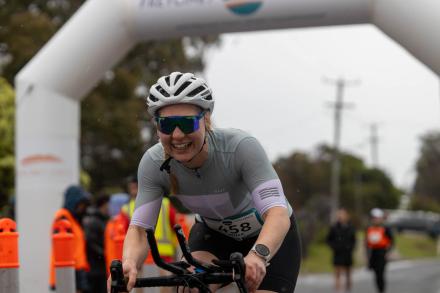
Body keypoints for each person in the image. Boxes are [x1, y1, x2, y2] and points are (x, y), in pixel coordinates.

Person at [108, 72, 301, 293]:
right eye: (167, 125)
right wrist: (129, 264)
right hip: (213, 236)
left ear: (206, 120)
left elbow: (277, 213)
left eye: (187, 123)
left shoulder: (241, 148)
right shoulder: (153, 163)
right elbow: (140, 229)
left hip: (267, 234)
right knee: (190, 287)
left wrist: (258, 255)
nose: (178, 135)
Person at [50, 185, 91, 292]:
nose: (82, 207)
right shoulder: (63, 219)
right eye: (81, 203)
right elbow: (63, 252)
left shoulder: (73, 220)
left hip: (75, 271)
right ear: (73, 202)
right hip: (69, 272)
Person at [83, 195, 110, 293]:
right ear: (103, 205)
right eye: (107, 205)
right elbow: (90, 242)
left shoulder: (103, 219)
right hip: (94, 267)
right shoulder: (94, 221)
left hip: (100, 266)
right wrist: (104, 254)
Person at [326, 208, 356, 293]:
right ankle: (338, 290)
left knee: (348, 273)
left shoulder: (351, 227)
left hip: (347, 253)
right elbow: (328, 240)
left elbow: (354, 240)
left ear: (346, 216)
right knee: (337, 273)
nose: (340, 216)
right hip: (338, 253)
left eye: (342, 214)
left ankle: (348, 289)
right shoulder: (334, 227)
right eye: (339, 214)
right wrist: (334, 246)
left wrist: (350, 247)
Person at [366, 208, 394, 293]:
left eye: (377, 218)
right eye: (374, 218)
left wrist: (388, 252)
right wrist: (367, 255)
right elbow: (367, 243)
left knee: (380, 274)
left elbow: (391, 241)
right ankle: (378, 289)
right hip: (373, 253)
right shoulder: (369, 228)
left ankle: (381, 290)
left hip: (382, 253)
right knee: (375, 274)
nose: (375, 220)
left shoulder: (385, 229)